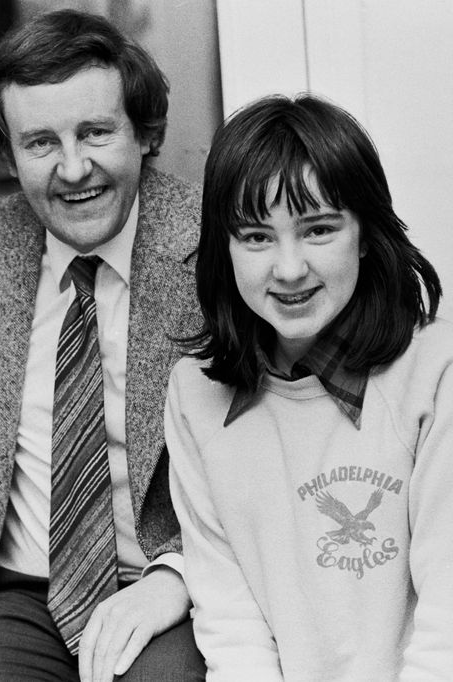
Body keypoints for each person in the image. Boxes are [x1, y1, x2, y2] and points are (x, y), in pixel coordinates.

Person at [0, 9, 206, 681]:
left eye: (96, 132)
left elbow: (267, 453)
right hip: (23, 590)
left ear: (145, 135)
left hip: (168, 578)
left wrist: (178, 575)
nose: (73, 168)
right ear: (9, 157)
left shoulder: (211, 247)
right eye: (41, 143)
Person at [166, 93, 452, 679]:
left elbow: (447, 625)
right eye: (256, 237)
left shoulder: (435, 370)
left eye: (318, 230)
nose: (289, 268)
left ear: (366, 235)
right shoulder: (194, 392)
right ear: (225, 247)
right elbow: (229, 621)